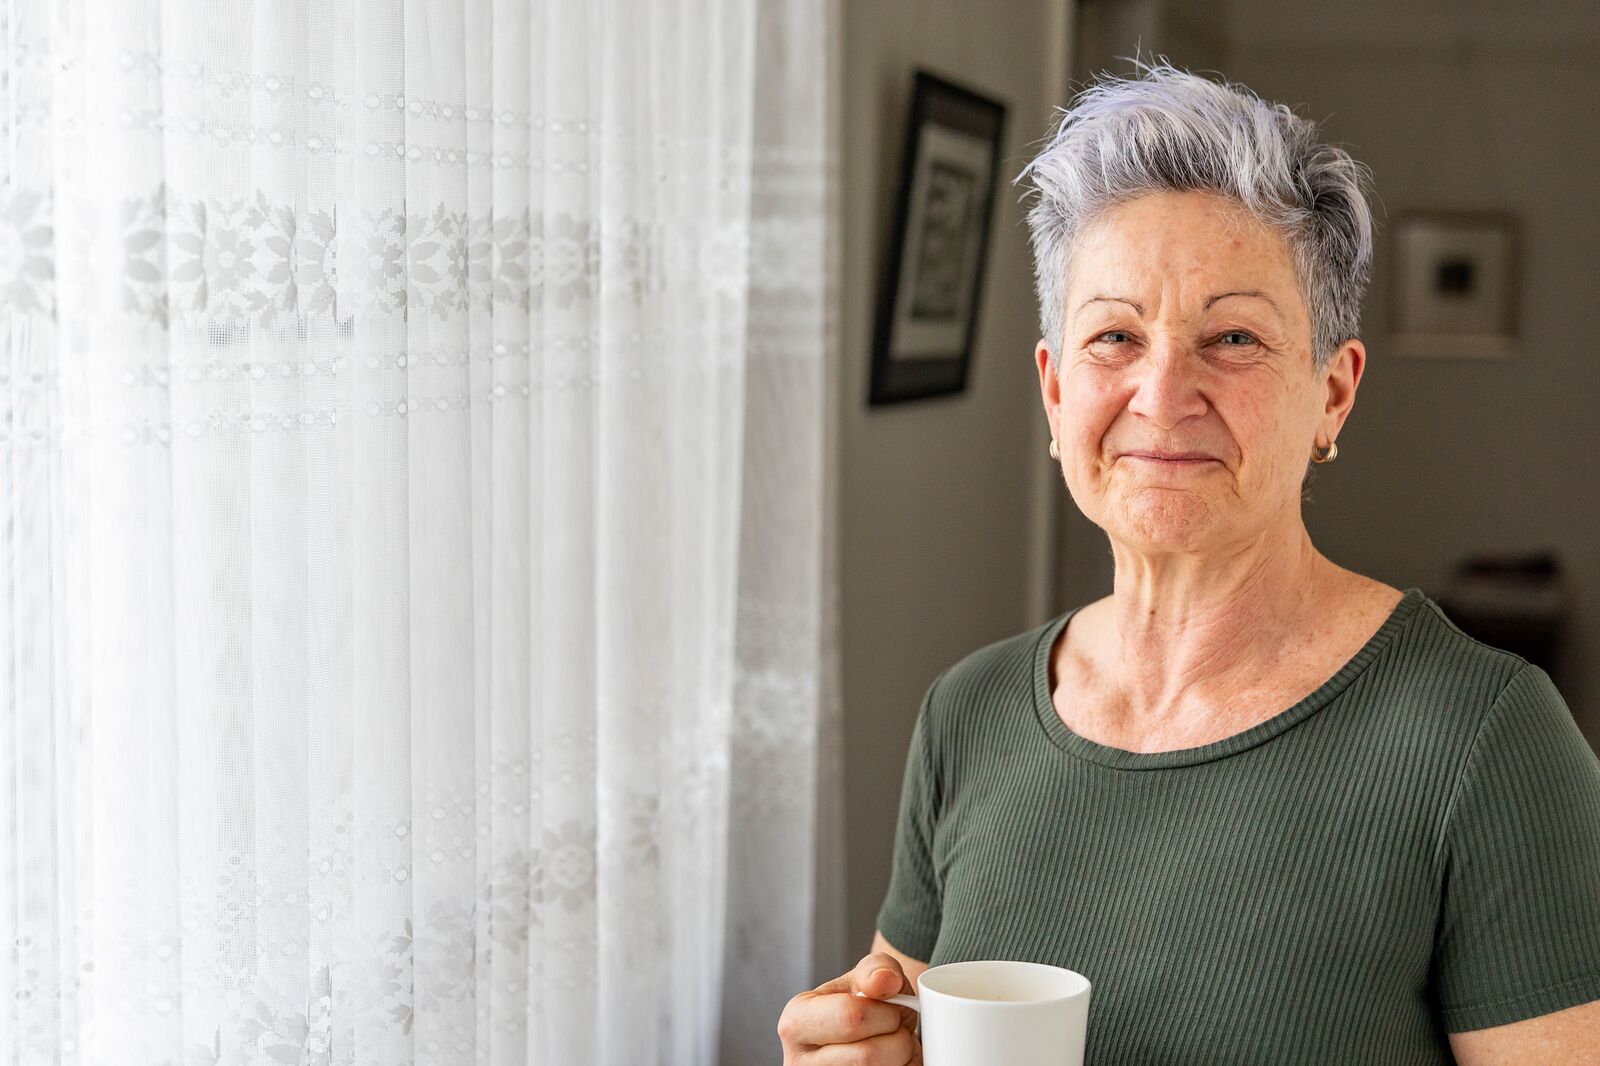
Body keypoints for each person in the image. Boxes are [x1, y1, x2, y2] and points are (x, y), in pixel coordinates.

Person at [778, 61, 1600, 1064]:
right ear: (1052, 392)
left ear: (1332, 394)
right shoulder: (969, 711)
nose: (1162, 395)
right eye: (1113, 336)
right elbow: (906, 1030)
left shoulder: (1487, 742)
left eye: (1235, 337)